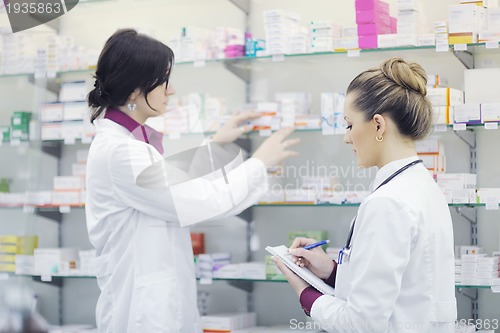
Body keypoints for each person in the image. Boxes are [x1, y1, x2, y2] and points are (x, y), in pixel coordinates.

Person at [85, 29, 299, 333]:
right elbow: (201, 202)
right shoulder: (120, 152)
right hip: (141, 313)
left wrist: (217, 145)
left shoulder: (126, 144)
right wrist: (258, 164)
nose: (170, 91)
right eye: (164, 81)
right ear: (134, 91)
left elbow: (166, 180)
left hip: (152, 301)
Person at [274, 58, 457, 333]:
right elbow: (401, 284)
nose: (346, 138)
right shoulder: (422, 186)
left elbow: (362, 323)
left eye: (349, 125)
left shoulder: (388, 203)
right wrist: (330, 271)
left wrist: (304, 293)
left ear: (379, 126)